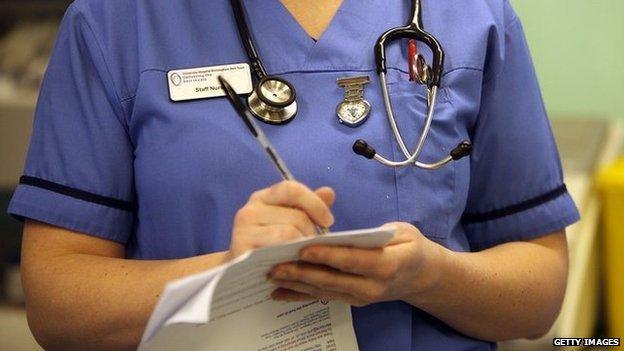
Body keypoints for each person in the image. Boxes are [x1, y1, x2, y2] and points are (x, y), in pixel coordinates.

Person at [8, 0, 579, 350]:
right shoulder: (116, 20)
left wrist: (429, 276)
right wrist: (228, 276)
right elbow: (58, 306)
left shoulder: (474, 15)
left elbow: (538, 295)